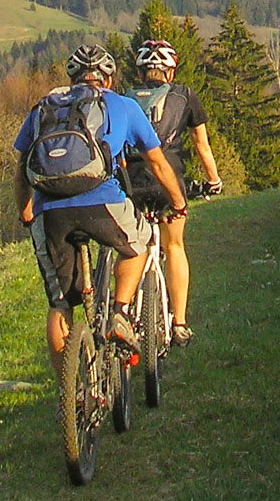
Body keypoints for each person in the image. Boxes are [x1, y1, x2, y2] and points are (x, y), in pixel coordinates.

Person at [16, 43, 188, 374]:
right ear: (108, 80)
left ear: (71, 77)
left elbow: (22, 167)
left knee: (60, 305)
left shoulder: (42, 108)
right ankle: (120, 313)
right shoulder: (121, 105)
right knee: (139, 245)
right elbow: (157, 160)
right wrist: (178, 201)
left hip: (49, 211)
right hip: (102, 201)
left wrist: (26, 210)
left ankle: (69, 393)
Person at [125, 39, 222, 347]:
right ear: (171, 71)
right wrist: (213, 181)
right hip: (169, 186)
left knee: (130, 247)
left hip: (130, 184)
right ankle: (178, 323)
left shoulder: (122, 99)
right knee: (175, 246)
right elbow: (202, 146)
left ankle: (123, 311)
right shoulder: (185, 96)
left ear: (141, 72)